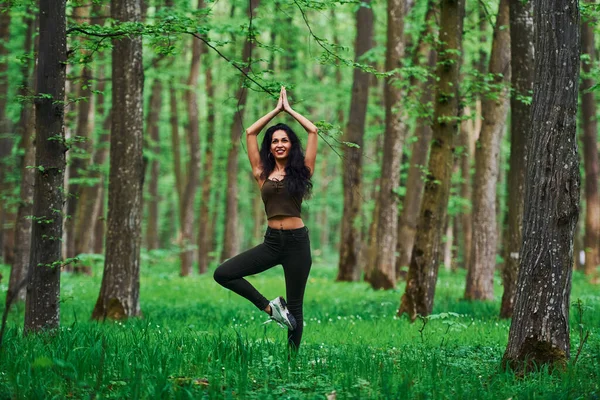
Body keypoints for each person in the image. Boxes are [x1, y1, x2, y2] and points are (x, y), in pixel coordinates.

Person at [213, 86, 318, 351]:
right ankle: (270, 308)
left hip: (297, 244)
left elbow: (313, 131)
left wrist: (290, 110)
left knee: (295, 308)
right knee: (223, 273)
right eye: (275, 141)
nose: (280, 144)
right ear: (269, 148)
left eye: (284, 140)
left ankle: (292, 365)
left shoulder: (303, 172)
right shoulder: (261, 172)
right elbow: (250, 132)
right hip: (272, 243)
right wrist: (275, 110)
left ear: (291, 145)